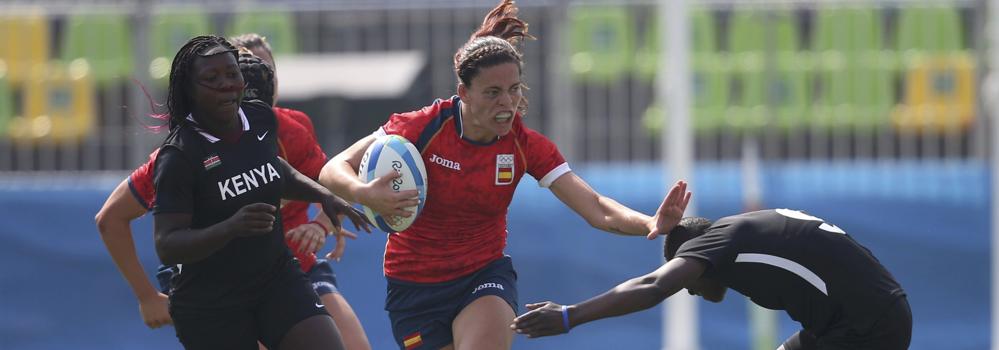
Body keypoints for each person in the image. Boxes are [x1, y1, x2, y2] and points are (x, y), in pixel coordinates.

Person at [318, 1, 688, 349]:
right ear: (464, 92)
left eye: (513, 91)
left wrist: (651, 222)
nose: (506, 104)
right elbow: (332, 169)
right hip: (413, 287)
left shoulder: (526, 146)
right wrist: (363, 192)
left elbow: (596, 208)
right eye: (492, 93)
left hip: (483, 276)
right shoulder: (421, 128)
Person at [151, 35, 368, 350]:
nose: (226, 84)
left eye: (231, 73)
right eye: (211, 78)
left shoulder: (259, 117)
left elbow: (277, 170)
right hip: (211, 302)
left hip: (275, 279)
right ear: (189, 89)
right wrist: (230, 227)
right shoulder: (179, 155)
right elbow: (167, 246)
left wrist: (324, 196)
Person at [511, 208, 912, 350]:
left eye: (692, 282)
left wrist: (570, 316)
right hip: (865, 316)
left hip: (866, 328)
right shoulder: (745, 233)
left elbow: (653, 286)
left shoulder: (722, 240)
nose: (693, 291)